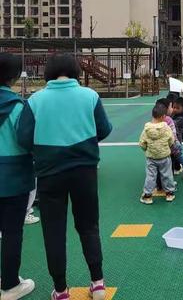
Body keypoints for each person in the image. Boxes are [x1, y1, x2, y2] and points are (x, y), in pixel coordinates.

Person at [17, 54, 112, 300]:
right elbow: (104, 129)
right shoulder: (90, 96)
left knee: (54, 231)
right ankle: (98, 283)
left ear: (48, 73)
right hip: (85, 171)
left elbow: (24, 138)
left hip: (49, 174)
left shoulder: (35, 100)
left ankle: (60, 291)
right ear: (75, 71)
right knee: (89, 226)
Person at [0, 53, 35, 300]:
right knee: (12, 232)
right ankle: (10, 285)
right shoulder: (18, 106)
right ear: (13, 77)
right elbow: (29, 143)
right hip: (13, 178)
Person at [139, 103, 177, 203]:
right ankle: (169, 194)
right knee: (167, 174)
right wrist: (166, 147)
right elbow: (171, 140)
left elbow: (142, 143)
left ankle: (148, 196)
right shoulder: (166, 128)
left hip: (151, 157)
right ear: (164, 116)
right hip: (164, 156)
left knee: (150, 176)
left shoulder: (146, 129)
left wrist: (147, 149)